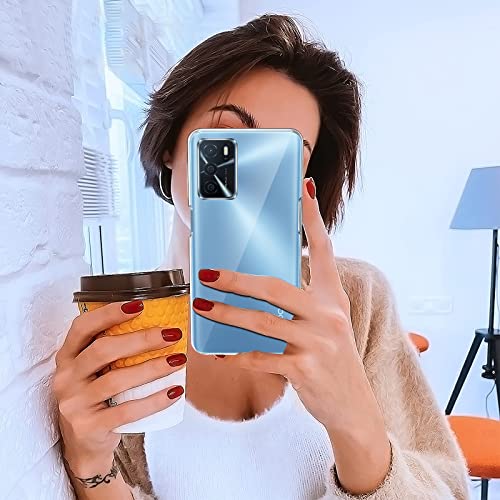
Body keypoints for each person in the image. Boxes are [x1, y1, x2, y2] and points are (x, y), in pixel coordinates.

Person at [54, 14, 470, 500]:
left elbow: (448, 489)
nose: (253, 179)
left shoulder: (356, 302)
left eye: (282, 158)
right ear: (171, 144)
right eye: (229, 141)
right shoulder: (132, 321)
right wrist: (90, 464)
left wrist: (356, 422)